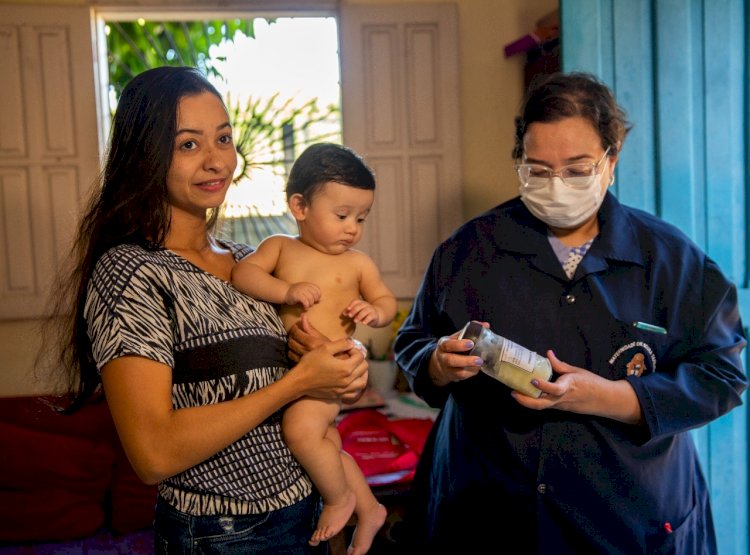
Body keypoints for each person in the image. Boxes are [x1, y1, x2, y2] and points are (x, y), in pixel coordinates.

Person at [392, 71, 747, 554]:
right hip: (488, 512)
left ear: (612, 158)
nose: (557, 187)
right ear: (519, 161)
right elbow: (413, 341)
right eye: (538, 170)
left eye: (578, 169)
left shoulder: (671, 260)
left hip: (628, 519)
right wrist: (435, 361)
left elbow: (721, 375)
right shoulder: (468, 251)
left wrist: (609, 397)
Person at [41, 66, 369, 554]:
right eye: (189, 145)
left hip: (307, 510)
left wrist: (343, 365)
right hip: (223, 534)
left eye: (224, 138)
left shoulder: (246, 261)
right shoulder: (133, 273)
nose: (217, 161)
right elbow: (152, 453)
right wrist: (297, 383)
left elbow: (308, 355)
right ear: (146, 157)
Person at [231, 142, 395, 554]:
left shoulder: (357, 263)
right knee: (327, 445)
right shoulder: (281, 247)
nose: (352, 228)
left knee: (300, 430)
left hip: (331, 371)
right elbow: (243, 274)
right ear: (300, 207)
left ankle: (341, 501)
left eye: (361, 218)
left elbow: (387, 302)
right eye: (341, 216)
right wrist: (285, 289)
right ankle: (371, 508)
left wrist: (373, 312)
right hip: (297, 374)